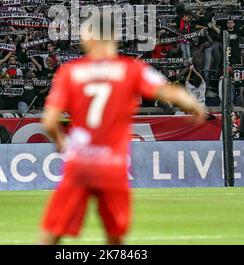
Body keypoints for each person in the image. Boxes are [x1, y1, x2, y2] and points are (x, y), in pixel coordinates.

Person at [39, 15, 207, 245]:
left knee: (52, 233)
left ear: (89, 37)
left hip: (79, 163)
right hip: (113, 166)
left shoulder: (70, 72)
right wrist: (195, 106)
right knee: (115, 237)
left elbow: (49, 121)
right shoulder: (132, 69)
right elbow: (170, 92)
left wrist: (59, 141)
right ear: (115, 39)